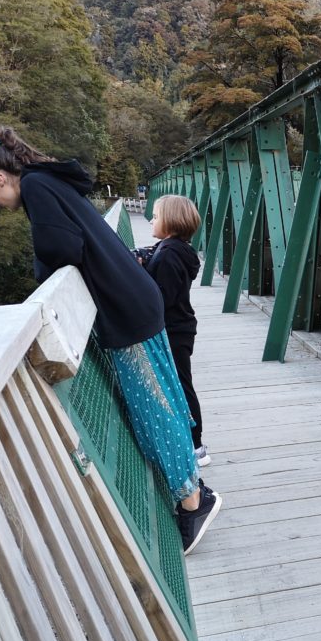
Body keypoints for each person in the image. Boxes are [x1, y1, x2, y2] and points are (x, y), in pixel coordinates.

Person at [0, 124, 221, 555]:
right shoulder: (47, 181)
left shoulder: (36, 188)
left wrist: (40, 275)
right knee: (164, 401)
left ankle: (192, 506)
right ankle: (197, 489)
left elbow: (60, 247)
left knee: (152, 411)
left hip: (127, 310)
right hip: (136, 301)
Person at [133, 194, 210, 468]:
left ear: (171, 220)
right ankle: (193, 441)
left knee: (180, 384)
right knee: (180, 383)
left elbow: (162, 298)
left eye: (155, 215)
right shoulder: (173, 248)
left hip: (174, 331)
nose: (152, 220)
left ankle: (196, 445)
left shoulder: (168, 255)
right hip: (180, 328)